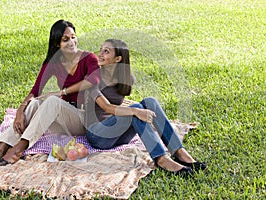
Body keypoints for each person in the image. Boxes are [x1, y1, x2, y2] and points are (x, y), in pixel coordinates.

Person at [0, 19, 100, 166]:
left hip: (84, 118)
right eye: (65, 39)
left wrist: (61, 92)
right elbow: (35, 90)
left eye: (73, 37)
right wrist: (20, 112)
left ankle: (18, 148)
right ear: (56, 44)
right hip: (63, 117)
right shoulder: (53, 63)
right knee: (34, 103)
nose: (72, 42)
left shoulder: (89, 58)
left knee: (52, 101)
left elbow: (94, 80)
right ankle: (1, 148)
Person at [85, 39, 206, 177]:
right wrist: (135, 110)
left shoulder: (127, 79)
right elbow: (107, 107)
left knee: (150, 102)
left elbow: (121, 107)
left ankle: (179, 152)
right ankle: (161, 158)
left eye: (106, 51)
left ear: (118, 58)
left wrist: (139, 111)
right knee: (136, 108)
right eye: (100, 49)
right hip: (98, 135)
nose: (100, 54)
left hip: (119, 135)